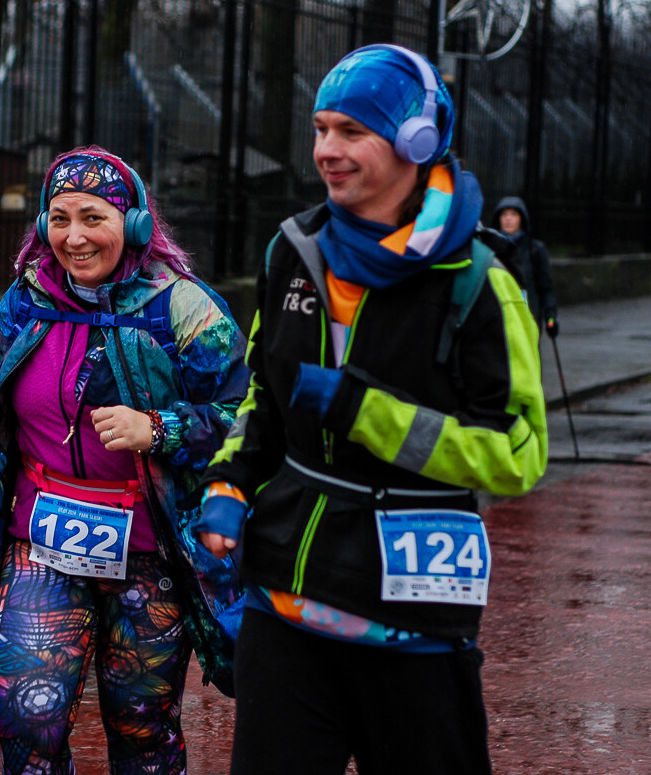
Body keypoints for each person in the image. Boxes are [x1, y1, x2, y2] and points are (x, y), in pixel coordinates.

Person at [195, 45, 549, 774]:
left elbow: (518, 455)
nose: (328, 149)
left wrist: (366, 413)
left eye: (352, 132)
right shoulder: (291, 251)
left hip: (412, 624)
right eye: (321, 129)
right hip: (282, 605)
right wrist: (228, 481)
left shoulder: (480, 283)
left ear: (416, 141)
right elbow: (262, 391)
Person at [0, 145, 248, 775]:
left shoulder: (182, 308)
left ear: (131, 223)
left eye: (92, 217)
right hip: (41, 537)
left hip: (151, 550)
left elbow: (243, 419)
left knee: (142, 725)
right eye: (58, 218)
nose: (73, 237)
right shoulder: (25, 299)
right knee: (28, 715)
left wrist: (157, 427)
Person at [494, 195, 558, 339]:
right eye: (504, 214)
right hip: (498, 316)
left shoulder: (534, 250)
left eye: (513, 214)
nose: (508, 219)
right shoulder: (492, 248)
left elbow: (545, 287)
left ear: (522, 218)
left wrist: (550, 317)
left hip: (527, 316)